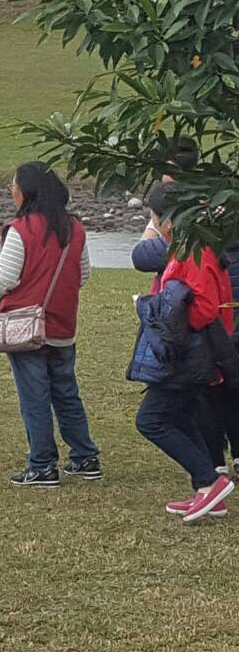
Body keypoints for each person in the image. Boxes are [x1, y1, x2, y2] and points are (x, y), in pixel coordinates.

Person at [0, 162, 100, 487]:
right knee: (66, 391)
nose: (11, 189)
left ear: (26, 191)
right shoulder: (74, 228)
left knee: (34, 396)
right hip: (62, 325)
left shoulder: (21, 229)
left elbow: (7, 277)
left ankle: (42, 464)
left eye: (14, 184)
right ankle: (84, 457)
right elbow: (85, 274)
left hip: (26, 327)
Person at [128, 185, 236, 520]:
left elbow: (204, 308)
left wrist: (157, 310)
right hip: (190, 348)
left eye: (155, 218)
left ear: (170, 221)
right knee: (183, 415)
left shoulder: (194, 253)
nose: (154, 224)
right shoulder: (190, 248)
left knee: (151, 420)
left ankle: (209, 480)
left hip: (190, 350)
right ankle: (206, 490)